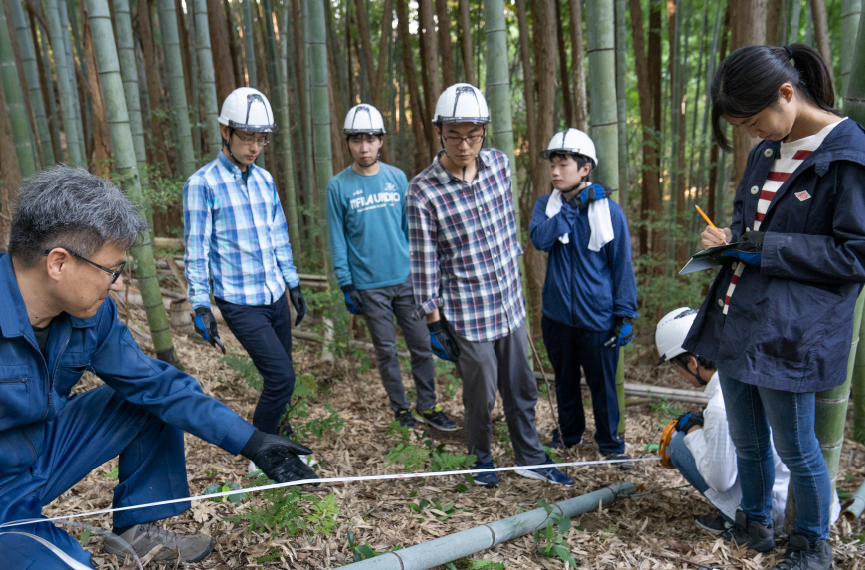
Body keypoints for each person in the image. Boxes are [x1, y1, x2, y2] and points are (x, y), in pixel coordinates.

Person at [0, 167, 317, 570]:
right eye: (113, 269)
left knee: (146, 400)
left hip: (38, 456)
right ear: (59, 263)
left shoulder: (90, 316)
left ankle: (139, 527)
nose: (119, 284)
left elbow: (159, 386)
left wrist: (253, 442)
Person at [684, 43, 865, 570]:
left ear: (787, 94)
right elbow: (751, 224)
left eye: (752, 121)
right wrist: (728, 238)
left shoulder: (850, 155)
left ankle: (813, 547)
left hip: (795, 330)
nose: (752, 134)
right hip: (740, 314)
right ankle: (754, 524)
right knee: (747, 437)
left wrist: (765, 247)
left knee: (797, 447)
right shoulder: (770, 148)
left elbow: (863, 254)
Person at [406, 82, 574, 488]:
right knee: (480, 394)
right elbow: (424, 261)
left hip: (508, 304)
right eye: (455, 135)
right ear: (439, 132)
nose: (465, 145)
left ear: (484, 131)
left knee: (522, 386)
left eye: (473, 135)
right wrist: (433, 321)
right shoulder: (422, 191)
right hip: (467, 310)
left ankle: (529, 456)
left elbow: (505, 228)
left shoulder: (498, 164)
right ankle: (481, 458)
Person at [184, 87, 308, 443]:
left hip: (274, 294)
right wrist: (199, 305)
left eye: (261, 139)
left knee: (282, 376)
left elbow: (278, 235)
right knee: (282, 377)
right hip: (239, 301)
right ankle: (263, 452)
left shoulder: (265, 179)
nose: (254, 146)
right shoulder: (202, 184)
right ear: (226, 131)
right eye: (247, 137)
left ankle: (282, 438)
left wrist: (293, 283)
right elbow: (196, 250)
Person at [327, 104, 457, 432]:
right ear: (348, 143)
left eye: (370, 139)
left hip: (406, 279)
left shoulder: (397, 178)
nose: (364, 147)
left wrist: (422, 272)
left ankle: (428, 405)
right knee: (386, 351)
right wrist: (346, 283)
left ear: (381, 141)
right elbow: (337, 238)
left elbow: (409, 229)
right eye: (357, 140)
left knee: (422, 346)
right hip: (368, 285)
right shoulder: (338, 186)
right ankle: (400, 410)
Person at [655, 308, 836, 535]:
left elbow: (720, 480)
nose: (679, 374)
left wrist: (692, 429)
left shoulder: (721, 405)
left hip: (776, 514)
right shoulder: (750, 372)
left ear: (692, 363)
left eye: (676, 367)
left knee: (679, 444)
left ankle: (735, 520)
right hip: (813, 504)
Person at [528, 129, 638, 468]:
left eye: (563, 165)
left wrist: (624, 314)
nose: (555, 172)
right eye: (553, 166)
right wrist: (572, 207)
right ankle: (569, 434)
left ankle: (610, 443)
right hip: (558, 315)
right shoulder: (547, 206)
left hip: (598, 317)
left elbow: (621, 264)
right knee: (564, 381)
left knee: (603, 385)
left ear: (585, 168)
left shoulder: (610, 211)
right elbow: (540, 240)